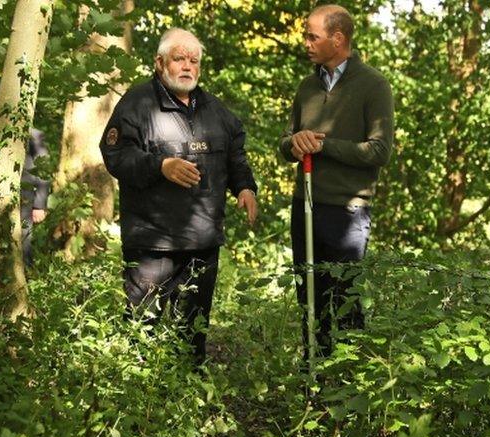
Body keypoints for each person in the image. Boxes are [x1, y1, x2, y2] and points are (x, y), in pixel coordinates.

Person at [100, 28, 259, 363]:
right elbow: (115, 155)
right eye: (179, 59)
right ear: (160, 63)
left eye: (194, 60)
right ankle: (141, 399)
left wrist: (244, 186)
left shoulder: (215, 110)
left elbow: (235, 152)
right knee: (142, 329)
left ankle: (191, 395)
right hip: (152, 243)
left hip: (202, 242)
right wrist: (161, 165)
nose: (187, 66)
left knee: (193, 332)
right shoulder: (138, 103)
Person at [279, 4, 394, 359]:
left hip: (348, 211)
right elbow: (285, 143)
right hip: (306, 204)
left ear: (338, 38)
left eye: (313, 36)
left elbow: (379, 151)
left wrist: (326, 146)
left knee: (345, 302)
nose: (306, 43)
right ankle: (312, 372)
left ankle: (348, 381)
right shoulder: (306, 86)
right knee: (308, 296)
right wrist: (293, 144)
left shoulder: (373, 85)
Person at [20, 128, 51, 266]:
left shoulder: (33, 135)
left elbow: (43, 168)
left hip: (25, 194)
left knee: (23, 238)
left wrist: (39, 205)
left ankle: (26, 273)